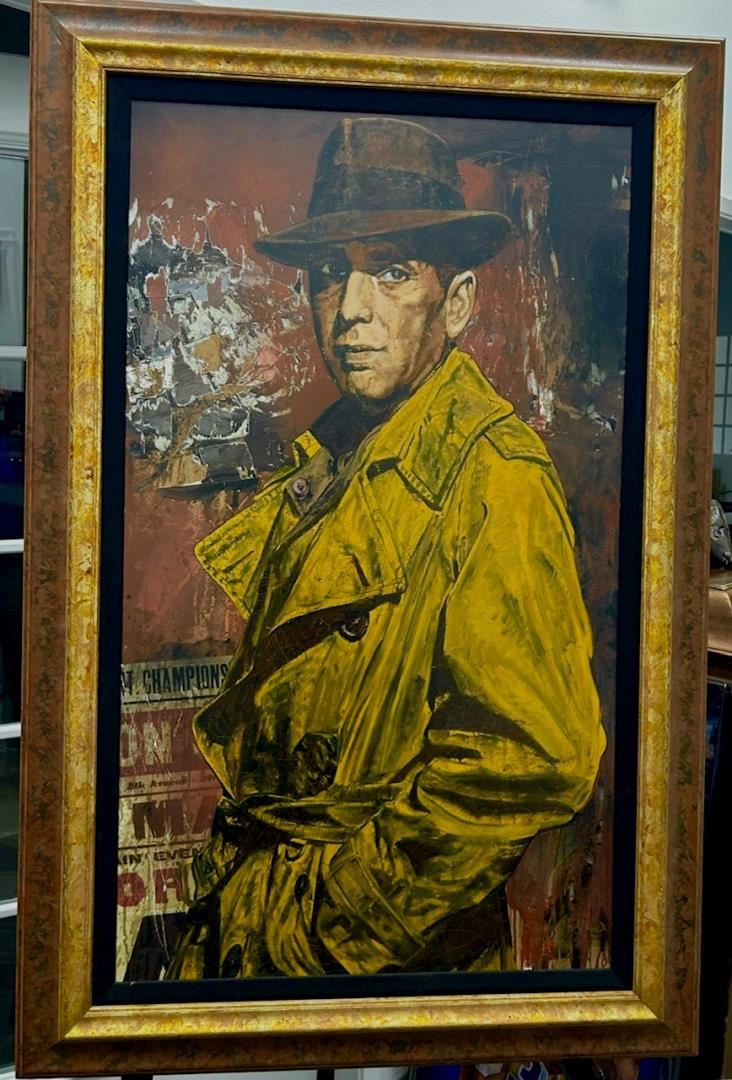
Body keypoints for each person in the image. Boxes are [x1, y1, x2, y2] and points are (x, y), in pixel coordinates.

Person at [166, 116, 606, 980]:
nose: (350, 311)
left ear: (457, 301)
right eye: (332, 274)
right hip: (268, 918)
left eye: (392, 271)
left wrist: (326, 926)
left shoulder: (494, 476)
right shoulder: (341, 452)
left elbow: (533, 759)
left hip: (378, 965)